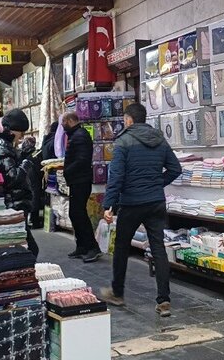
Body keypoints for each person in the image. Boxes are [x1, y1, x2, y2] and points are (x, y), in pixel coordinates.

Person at [100, 103, 182, 317]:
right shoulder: (160, 140)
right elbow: (175, 168)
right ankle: (164, 301)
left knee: (121, 247)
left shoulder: (123, 141)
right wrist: (156, 184)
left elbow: (116, 177)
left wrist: (109, 205)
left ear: (128, 120)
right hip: (155, 202)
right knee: (158, 248)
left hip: (132, 203)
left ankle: (117, 293)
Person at [0, 108, 39, 256]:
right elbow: (12, 177)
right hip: (13, 204)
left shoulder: (4, 145)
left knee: (26, 249)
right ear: (13, 130)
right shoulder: (1, 147)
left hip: (14, 204)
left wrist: (23, 155)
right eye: (21, 133)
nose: (21, 137)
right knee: (29, 250)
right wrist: (27, 161)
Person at [62, 112, 101, 262]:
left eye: (64, 121)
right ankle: (82, 246)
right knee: (75, 213)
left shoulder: (80, 135)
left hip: (81, 180)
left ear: (71, 121)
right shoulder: (76, 135)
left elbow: (82, 159)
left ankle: (92, 247)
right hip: (77, 180)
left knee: (79, 214)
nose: (62, 124)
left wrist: (67, 170)